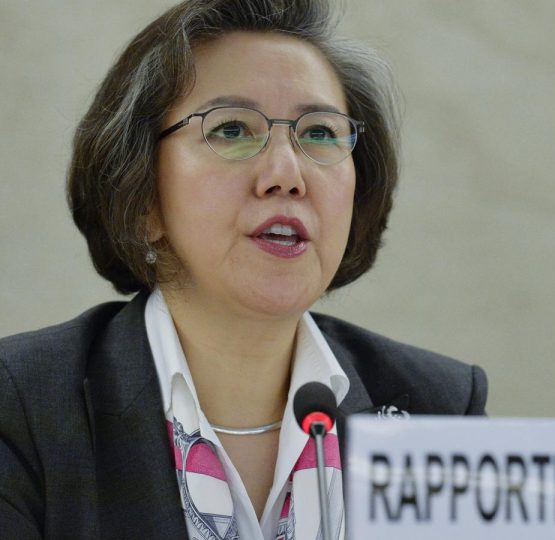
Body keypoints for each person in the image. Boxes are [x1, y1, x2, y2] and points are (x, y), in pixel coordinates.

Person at [0, 1, 488, 538]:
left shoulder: (437, 408)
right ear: (143, 198)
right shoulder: (23, 408)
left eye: (321, 133)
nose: (287, 174)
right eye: (232, 129)